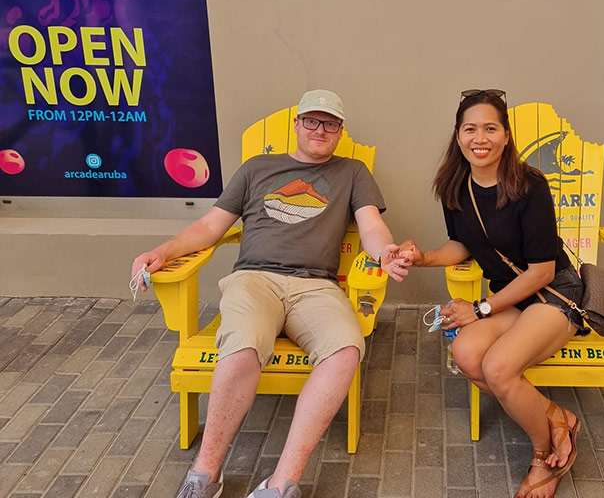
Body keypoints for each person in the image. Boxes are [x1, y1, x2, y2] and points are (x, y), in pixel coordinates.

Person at [131, 89, 409, 498]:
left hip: (317, 285)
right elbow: (210, 228)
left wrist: (384, 251)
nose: (320, 130)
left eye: (330, 123)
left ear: (340, 131)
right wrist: (161, 251)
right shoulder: (257, 167)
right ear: (296, 124)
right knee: (242, 348)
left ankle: (282, 483)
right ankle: (205, 473)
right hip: (255, 279)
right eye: (312, 121)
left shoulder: (352, 172)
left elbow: (370, 226)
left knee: (346, 350)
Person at [399, 89, 587, 498]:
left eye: (490, 128)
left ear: (505, 136)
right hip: (513, 296)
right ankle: (556, 417)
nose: (479, 138)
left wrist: (480, 308)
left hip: (553, 294)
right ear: (458, 135)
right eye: (470, 128)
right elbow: (462, 244)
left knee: (499, 367)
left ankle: (544, 457)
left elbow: (541, 271)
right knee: (466, 354)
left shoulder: (529, 186)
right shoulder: (454, 186)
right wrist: (423, 257)